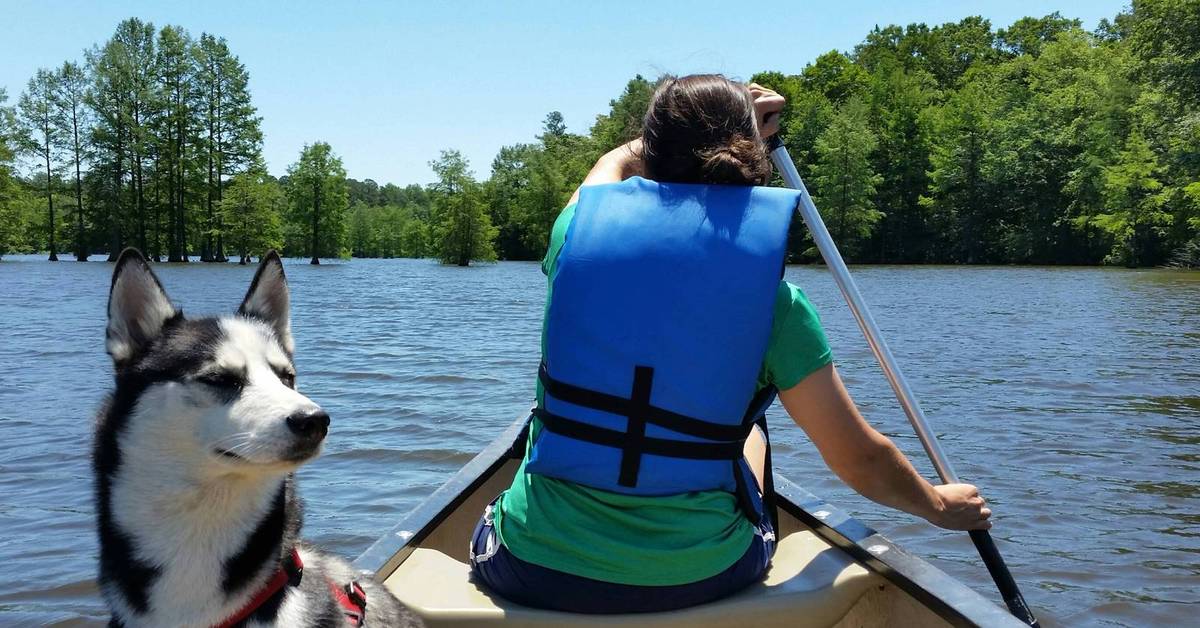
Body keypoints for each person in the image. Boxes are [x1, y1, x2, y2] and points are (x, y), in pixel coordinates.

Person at [468, 74, 992, 615]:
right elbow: (858, 457)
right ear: (751, 159)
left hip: (531, 568)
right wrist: (938, 506)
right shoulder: (777, 305)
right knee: (748, 417)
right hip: (700, 575)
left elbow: (610, 170)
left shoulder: (574, 238)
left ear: (652, 148)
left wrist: (668, 134)